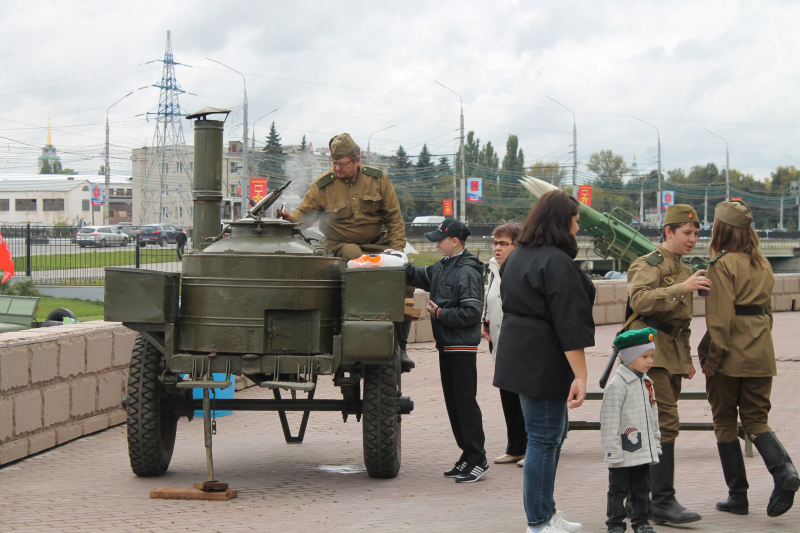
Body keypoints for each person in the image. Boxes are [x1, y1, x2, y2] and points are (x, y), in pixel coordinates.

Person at [494, 190, 594, 533]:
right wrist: (581, 375)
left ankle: (546, 511)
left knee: (547, 436)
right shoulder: (555, 261)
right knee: (544, 438)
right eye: (575, 221)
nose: (577, 228)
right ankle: (538, 521)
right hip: (544, 359)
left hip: (520, 355)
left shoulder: (519, 255)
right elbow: (569, 322)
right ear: (561, 222)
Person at [278, 133, 415, 371]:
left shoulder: (378, 180)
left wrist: (397, 253)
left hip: (375, 243)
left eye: (342, 163)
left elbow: (394, 219)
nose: (337, 168)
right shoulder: (323, 186)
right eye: (333, 163)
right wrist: (291, 217)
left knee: (404, 277)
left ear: (357, 160)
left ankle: (400, 345)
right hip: (338, 243)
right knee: (354, 255)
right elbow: (304, 214)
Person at [699, 200, 800, 518]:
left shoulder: (720, 264)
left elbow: (720, 321)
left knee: (725, 422)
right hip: (761, 353)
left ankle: (738, 496)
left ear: (721, 229)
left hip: (729, 357)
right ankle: (784, 471)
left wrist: (712, 361)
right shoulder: (763, 263)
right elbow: (767, 315)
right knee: (756, 420)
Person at [624, 204, 709, 526]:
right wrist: (680, 288)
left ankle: (638, 498)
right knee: (665, 422)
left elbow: (682, 323)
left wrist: (686, 359)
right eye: (686, 233)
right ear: (668, 232)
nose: (692, 239)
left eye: (696, 233)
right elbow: (639, 300)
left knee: (654, 425)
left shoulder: (685, 269)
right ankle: (662, 501)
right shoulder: (648, 264)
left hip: (670, 355)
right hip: (648, 353)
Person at [406, 218, 488, 483]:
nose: (436, 245)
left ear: (455, 241)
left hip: (461, 346)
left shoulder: (468, 270)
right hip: (447, 345)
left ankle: (478, 459)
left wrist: (440, 313)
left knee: (465, 403)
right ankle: (467, 454)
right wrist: (397, 261)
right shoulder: (443, 266)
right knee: (454, 404)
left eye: (440, 240)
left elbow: (472, 312)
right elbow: (418, 275)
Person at [601, 328, 662, 533]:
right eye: (644, 356)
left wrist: (655, 442)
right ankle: (615, 524)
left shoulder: (647, 383)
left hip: (643, 450)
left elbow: (653, 416)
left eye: (651, 356)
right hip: (622, 451)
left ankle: (641, 522)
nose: (649, 361)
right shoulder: (617, 386)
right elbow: (609, 422)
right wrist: (613, 452)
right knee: (618, 490)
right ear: (628, 357)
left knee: (642, 489)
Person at [481, 222, 527, 467]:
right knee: (507, 394)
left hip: (520, 342)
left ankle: (532, 448)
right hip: (499, 341)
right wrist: (484, 320)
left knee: (525, 396)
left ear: (517, 246)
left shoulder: (523, 269)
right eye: (495, 243)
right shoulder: (493, 269)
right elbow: (489, 299)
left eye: (503, 243)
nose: (497, 248)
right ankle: (515, 448)